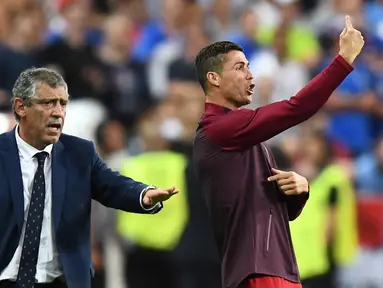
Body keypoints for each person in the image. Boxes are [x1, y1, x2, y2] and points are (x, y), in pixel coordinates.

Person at [193, 16, 364, 288]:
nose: (251, 74)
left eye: (249, 66)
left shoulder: (247, 138)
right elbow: (296, 108)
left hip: (275, 269)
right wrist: (343, 59)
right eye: (240, 67)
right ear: (213, 78)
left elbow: (278, 213)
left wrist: (300, 190)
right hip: (259, 272)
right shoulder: (219, 128)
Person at [0, 67, 179, 288]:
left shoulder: (79, 153)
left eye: (63, 104)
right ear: (20, 107)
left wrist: (143, 194)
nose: (58, 112)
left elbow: (111, 185)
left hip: (60, 281)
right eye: (48, 103)